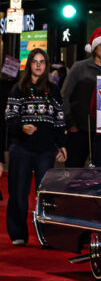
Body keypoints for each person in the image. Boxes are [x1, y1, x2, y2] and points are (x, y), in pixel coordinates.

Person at [5, 49, 67, 246]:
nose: (38, 65)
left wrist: (62, 145)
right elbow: (9, 119)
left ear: (46, 65)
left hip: (46, 149)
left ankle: (46, 235)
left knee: (46, 194)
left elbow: (59, 119)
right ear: (29, 65)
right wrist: (22, 127)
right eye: (35, 61)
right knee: (18, 193)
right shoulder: (18, 89)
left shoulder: (53, 89)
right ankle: (18, 234)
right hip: (22, 147)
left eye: (42, 62)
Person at [62, 27, 101, 167]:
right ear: (94, 47)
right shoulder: (79, 67)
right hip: (79, 130)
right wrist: (70, 123)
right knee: (73, 171)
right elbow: (64, 95)